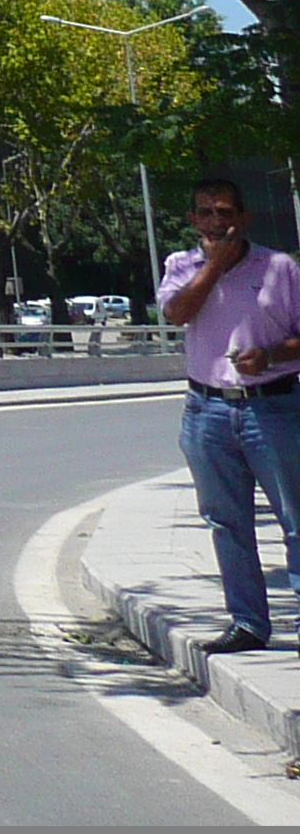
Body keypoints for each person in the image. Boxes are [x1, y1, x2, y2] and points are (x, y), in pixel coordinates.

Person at [160, 177, 300, 653]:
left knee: (295, 518)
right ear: (193, 220)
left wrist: (272, 355)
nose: (217, 221)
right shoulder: (181, 266)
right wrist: (213, 268)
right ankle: (247, 623)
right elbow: (177, 313)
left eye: (226, 212)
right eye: (207, 213)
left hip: (275, 407)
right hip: (207, 411)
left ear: (244, 218)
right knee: (226, 522)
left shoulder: (280, 268)